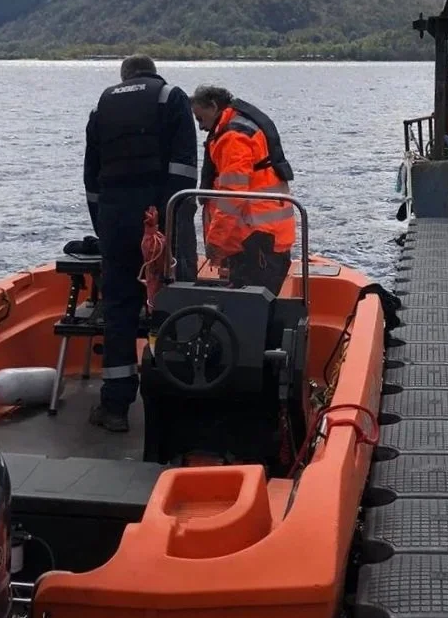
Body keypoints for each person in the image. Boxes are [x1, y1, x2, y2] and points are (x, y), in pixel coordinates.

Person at [83, 55, 198, 431]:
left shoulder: (102, 106)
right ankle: (178, 402)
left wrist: (103, 227)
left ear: (124, 76)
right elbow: (184, 169)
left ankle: (115, 406)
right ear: (152, 71)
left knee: (118, 309)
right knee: (172, 302)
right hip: (159, 215)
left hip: (114, 218)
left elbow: (91, 178)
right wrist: (172, 222)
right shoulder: (171, 97)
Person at [189, 85, 296, 295]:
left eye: (201, 118)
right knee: (258, 302)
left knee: (250, 305)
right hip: (263, 235)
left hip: (256, 238)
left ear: (213, 106)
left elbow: (232, 196)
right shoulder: (240, 126)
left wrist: (215, 243)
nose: (200, 127)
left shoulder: (233, 137)